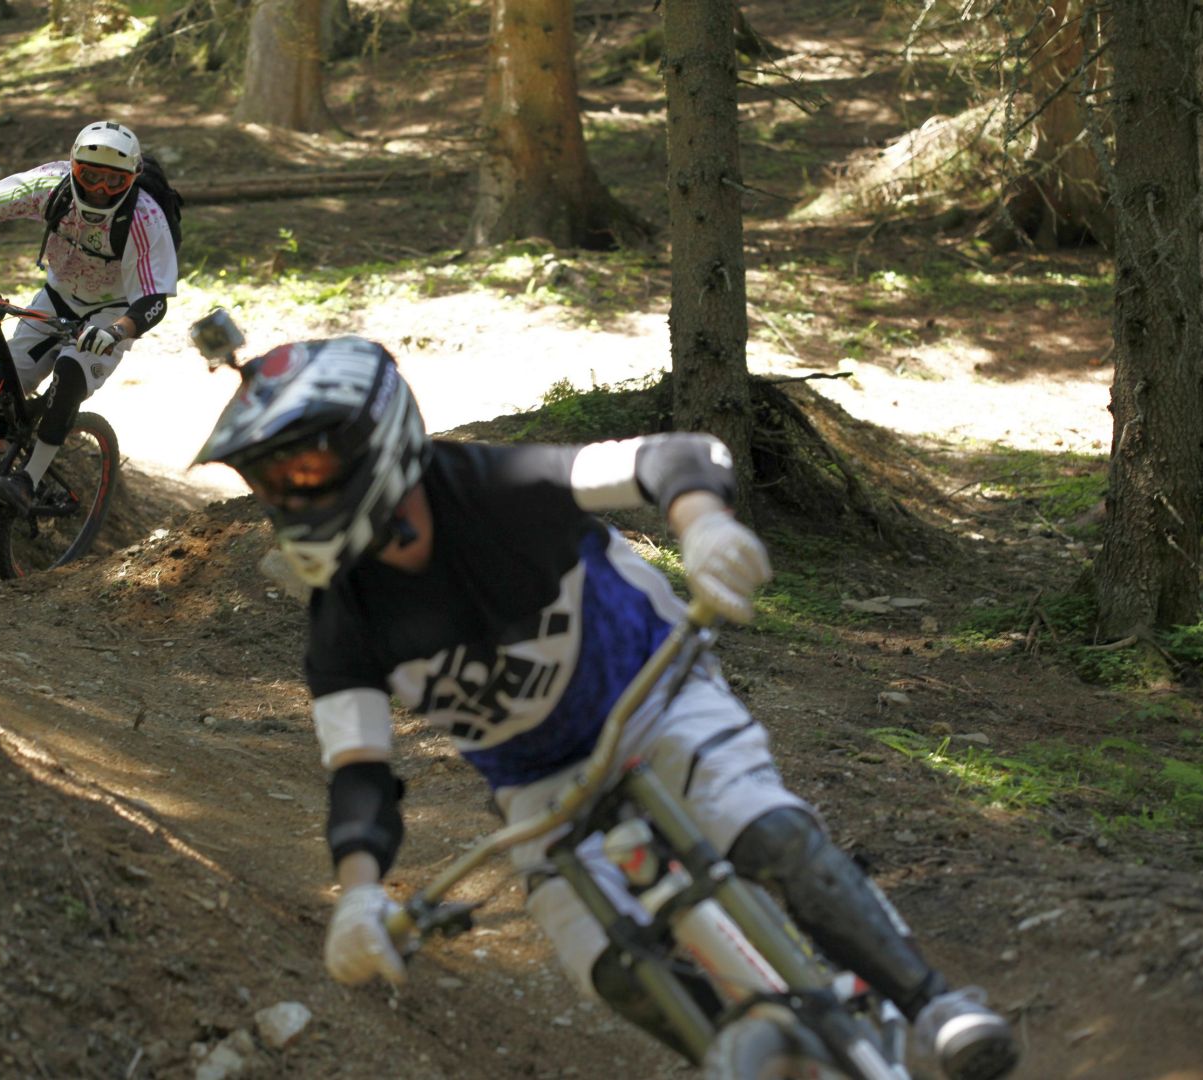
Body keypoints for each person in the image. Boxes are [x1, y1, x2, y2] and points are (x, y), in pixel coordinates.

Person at [191, 335, 1019, 1080]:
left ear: (375, 436)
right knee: (612, 968)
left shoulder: (494, 486)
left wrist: (704, 527)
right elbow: (359, 772)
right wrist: (362, 894)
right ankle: (752, 1054)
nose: (291, 496)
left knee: (766, 831)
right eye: (273, 478)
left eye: (305, 468)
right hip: (538, 785)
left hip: (656, 697)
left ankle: (931, 1006)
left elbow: (669, 457)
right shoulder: (344, 615)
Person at [0, 120, 178, 513]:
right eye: (91, 176)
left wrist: (117, 333)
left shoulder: (145, 220)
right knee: (4, 377)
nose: (100, 190)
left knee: (71, 373)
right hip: (55, 298)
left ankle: (28, 481)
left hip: (112, 312)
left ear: (133, 179)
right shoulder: (50, 185)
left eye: (114, 182)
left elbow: (155, 299)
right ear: (72, 167)